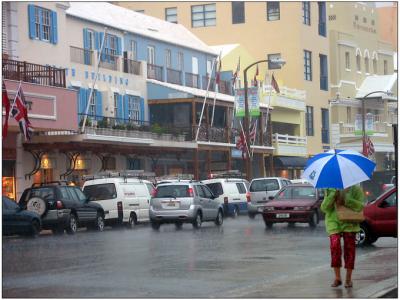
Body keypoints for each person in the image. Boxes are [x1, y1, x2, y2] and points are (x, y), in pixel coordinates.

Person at [321, 185, 364, 288]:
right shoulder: (329, 188)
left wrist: (346, 199)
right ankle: (337, 278)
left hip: (349, 222)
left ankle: (348, 279)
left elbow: (360, 206)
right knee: (335, 247)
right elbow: (324, 208)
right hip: (333, 222)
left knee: (349, 249)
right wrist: (332, 196)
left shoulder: (355, 188)